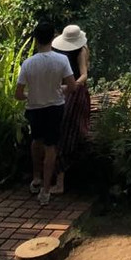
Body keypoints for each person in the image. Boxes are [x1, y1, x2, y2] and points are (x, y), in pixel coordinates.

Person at [15, 20, 75, 206]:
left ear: (35, 39)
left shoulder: (28, 63)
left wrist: (31, 94)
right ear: (54, 37)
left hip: (34, 108)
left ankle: (36, 177)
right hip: (54, 108)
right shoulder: (61, 60)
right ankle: (46, 190)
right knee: (51, 147)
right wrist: (59, 91)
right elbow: (72, 86)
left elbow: (18, 94)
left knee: (36, 140)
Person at [51, 24, 90, 196]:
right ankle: (54, 178)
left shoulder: (81, 50)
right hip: (59, 91)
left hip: (75, 94)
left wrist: (71, 86)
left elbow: (84, 74)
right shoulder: (57, 51)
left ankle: (60, 182)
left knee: (66, 132)